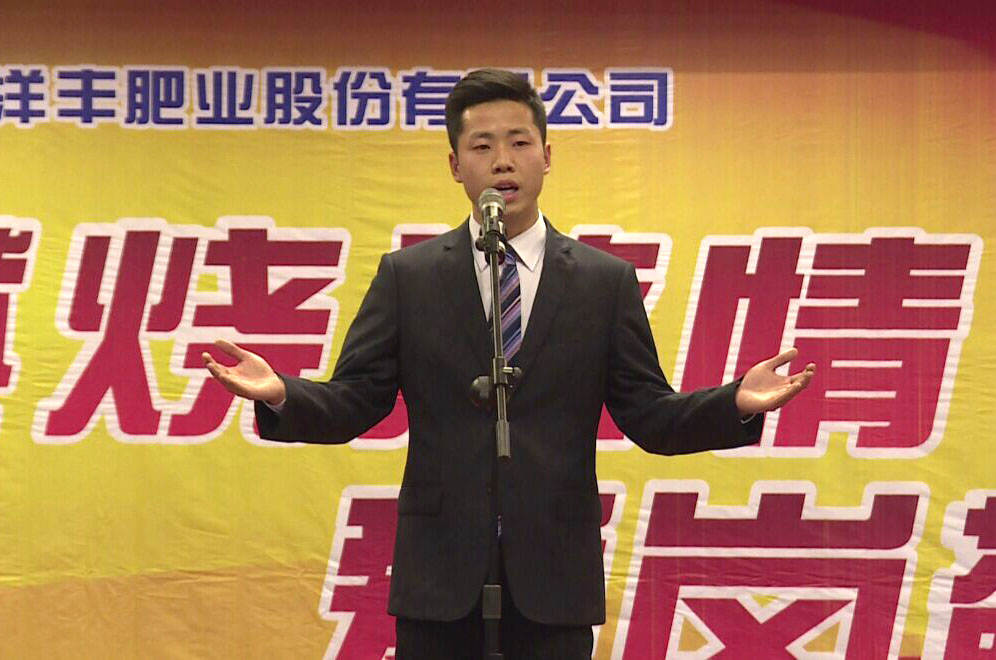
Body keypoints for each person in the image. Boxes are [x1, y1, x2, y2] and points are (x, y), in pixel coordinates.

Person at [203, 69, 815, 658]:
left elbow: (649, 415)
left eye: (520, 143)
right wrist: (281, 393)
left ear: (547, 155)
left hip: (554, 577)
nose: (503, 161)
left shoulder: (603, 283)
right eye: (483, 146)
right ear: (455, 165)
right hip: (440, 576)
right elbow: (357, 399)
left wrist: (735, 402)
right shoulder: (409, 278)